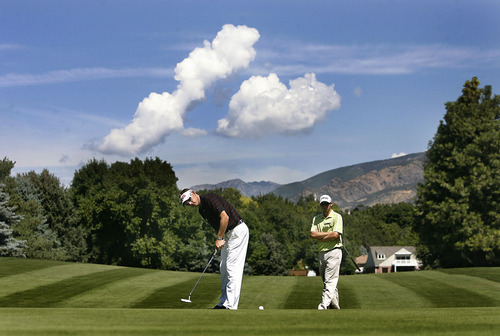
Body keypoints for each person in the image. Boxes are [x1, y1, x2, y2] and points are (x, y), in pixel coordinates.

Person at [180, 188, 249, 310]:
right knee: (223, 268)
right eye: (187, 203)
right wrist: (219, 239)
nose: (190, 203)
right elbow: (216, 225)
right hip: (227, 235)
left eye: (189, 200)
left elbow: (225, 217)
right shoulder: (202, 210)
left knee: (232, 268)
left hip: (237, 231)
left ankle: (230, 305)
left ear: (194, 193)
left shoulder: (210, 199)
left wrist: (219, 237)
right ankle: (223, 302)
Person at [310, 194, 343, 310]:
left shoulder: (337, 217)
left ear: (331, 204)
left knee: (330, 280)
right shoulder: (316, 218)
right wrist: (328, 235)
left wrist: (321, 236)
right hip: (321, 252)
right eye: (322, 204)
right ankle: (335, 306)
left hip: (334, 251)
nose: (324, 206)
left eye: (326, 204)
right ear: (320, 205)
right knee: (327, 281)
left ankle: (323, 306)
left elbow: (336, 234)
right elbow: (313, 234)